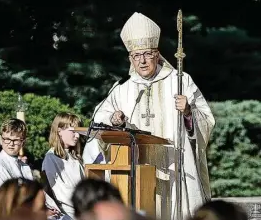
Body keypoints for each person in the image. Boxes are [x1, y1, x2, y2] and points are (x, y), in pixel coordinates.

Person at [83, 12, 215, 219]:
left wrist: (189, 112)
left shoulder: (180, 80)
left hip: (175, 168)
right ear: (130, 58)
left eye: (147, 54)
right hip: (137, 172)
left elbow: (206, 120)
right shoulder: (122, 89)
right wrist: (113, 119)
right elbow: (98, 121)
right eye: (136, 56)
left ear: (157, 54)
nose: (142, 61)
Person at [0, 118, 61, 217]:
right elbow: (4, 202)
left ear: (23, 142)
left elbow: (34, 193)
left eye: (16, 140)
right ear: (1, 140)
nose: (11, 144)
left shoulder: (24, 167)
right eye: (7, 139)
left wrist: (47, 207)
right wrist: (40, 212)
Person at [42, 113, 85, 219]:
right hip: (66, 215)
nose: (77, 136)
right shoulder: (51, 158)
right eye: (73, 131)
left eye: (78, 132)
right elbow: (61, 194)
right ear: (59, 130)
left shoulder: (74, 157)